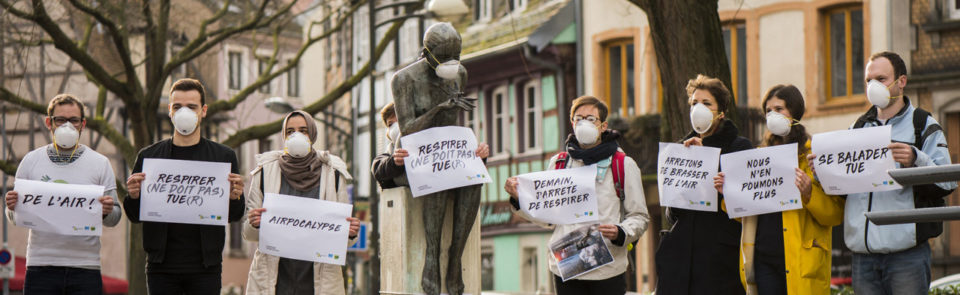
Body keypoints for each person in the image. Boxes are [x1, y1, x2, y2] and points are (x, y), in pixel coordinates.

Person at [807, 51, 956, 295]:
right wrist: (824, 173)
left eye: (881, 79)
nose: (873, 86)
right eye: (868, 81)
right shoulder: (856, 128)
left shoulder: (923, 124)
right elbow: (845, 190)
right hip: (863, 258)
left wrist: (916, 158)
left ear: (902, 82)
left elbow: (948, 181)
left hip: (907, 257)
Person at [504, 96, 649, 295]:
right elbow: (548, 219)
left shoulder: (623, 164)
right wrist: (520, 199)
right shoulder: (559, 163)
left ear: (603, 126)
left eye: (591, 119)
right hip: (567, 269)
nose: (584, 124)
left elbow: (640, 216)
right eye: (578, 119)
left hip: (607, 271)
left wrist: (621, 231)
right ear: (572, 124)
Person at [714, 84, 844, 294]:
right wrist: (728, 194)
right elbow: (744, 213)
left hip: (801, 260)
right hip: (764, 260)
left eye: (779, 109)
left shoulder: (815, 155)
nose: (772, 115)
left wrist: (810, 194)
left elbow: (835, 215)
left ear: (794, 112)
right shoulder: (757, 157)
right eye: (768, 111)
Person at [123, 78, 246, 295]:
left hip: (206, 268)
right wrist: (133, 196)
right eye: (178, 106)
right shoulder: (149, 157)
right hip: (161, 268)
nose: (184, 112)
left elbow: (234, 214)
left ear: (204, 111)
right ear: (170, 111)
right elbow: (134, 215)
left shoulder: (223, 157)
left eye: (191, 107)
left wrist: (236, 196)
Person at [4, 94, 121, 294]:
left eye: (74, 120)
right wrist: (11, 207)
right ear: (49, 122)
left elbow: (114, 218)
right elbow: (15, 217)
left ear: (82, 124)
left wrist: (106, 211)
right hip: (41, 266)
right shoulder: (31, 161)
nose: (68, 126)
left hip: (86, 267)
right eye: (61, 120)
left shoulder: (100, 163)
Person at [243, 111, 361, 295]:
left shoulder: (334, 174)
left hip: (319, 283)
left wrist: (350, 233)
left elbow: (341, 238)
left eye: (303, 130)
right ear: (283, 136)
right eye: (290, 131)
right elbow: (248, 234)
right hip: (274, 281)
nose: (296, 135)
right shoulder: (265, 172)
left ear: (312, 134)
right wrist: (254, 223)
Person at [654, 74, 751, 295]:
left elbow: (746, 204)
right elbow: (673, 214)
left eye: (707, 103)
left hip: (720, 262)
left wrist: (708, 161)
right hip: (681, 262)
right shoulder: (680, 151)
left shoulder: (739, 146)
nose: (699, 108)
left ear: (721, 112)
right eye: (694, 103)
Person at [371, 101, 489, 189]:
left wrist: (479, 158)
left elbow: (466, 176)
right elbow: (378, 168)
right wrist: (394, 162)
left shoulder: (439, 146)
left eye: (399, 121)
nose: (396, 127)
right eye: (390, 124)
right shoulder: (389, 153)